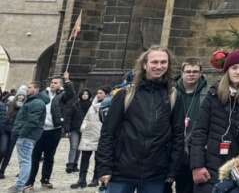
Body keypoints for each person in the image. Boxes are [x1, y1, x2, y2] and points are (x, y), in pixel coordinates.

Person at [96, 46, 184, 193]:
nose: (159, 66)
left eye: (163, 62)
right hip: (122, 171)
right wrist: (104, 167)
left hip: (156, 173)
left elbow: (178, 135)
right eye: (154, 62)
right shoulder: (125, 95)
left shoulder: (174, 96)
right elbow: (107, 134)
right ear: (144, 64)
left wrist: (172, 170)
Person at [191, 50, 239, 193]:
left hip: (237, 168)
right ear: (227, 70)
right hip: (209, 167)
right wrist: (197, 165)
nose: (238, 72)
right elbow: (199, 132)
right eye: (234, 68)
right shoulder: (213, 94)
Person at [26, 73, 76, 189]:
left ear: (61, 85)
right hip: (40, 130)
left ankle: (45, 179)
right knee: (35, 156)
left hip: (54, 130)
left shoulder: (63, 96)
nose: (53, 84)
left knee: (49, 156)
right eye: (52, 82)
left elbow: (71, 94)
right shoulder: (43, 94)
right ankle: (30, 181)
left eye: (56, 83)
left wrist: (67, 80)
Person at [177, 59, 211, 193]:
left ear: (201, 73)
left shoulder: (208, 93)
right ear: (182, 73)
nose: (191, 74)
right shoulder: (172, 91)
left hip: (196, 147)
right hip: (175, 146)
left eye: (195, 71)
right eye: (188, 71)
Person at [10, 81, 44, 193]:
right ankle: (21, 184)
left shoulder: (37, 102)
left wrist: (22, 133)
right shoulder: (31, 101)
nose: (27, 89)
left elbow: (32, 121)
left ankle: (20, 186)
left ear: (36, 89)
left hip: (27, 136)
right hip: (24, 135)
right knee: (24, 161)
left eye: (30, 87)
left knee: (25, 161)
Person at [73, 88, 107, 189]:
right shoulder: (92, 105)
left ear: (106, 94)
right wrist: (83, 127)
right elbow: (87, 117)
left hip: (100, 135)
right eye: (98, 93)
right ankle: (81, 179)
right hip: (88, 135)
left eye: (101, 93)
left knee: (98, 159)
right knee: (84, 158)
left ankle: (95, 179)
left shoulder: (109, 105)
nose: (98, 95)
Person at [65, 89, 91, 175]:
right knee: (74, 146)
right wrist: (67, 129)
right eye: (83, 94)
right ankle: (70, 164)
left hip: (85, 130)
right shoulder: (75, 105)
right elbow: (68, 117)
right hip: (74, 129)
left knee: (79, 148)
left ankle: (75, 164)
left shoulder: (91, 106)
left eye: (86, 94)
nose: (85, 95)